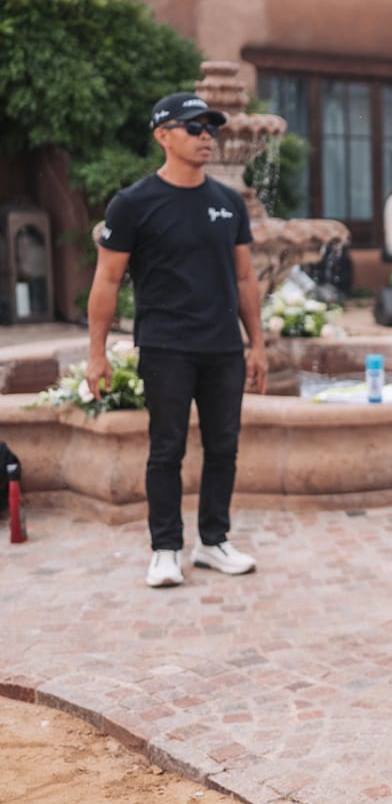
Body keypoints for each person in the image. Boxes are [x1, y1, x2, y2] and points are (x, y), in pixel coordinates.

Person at [86, 92, 270, 588]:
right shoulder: (132, 204)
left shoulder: (229, 203)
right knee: (165, 449)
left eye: (210, 127)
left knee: (224, 448)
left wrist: (257, 344)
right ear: (162, 135)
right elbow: (106, 281)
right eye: (194, 128)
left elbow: (246, 279)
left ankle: (213, 541)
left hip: (223, 348)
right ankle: (165, 548)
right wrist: (96, 353)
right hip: (166, 347)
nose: (206, 136)